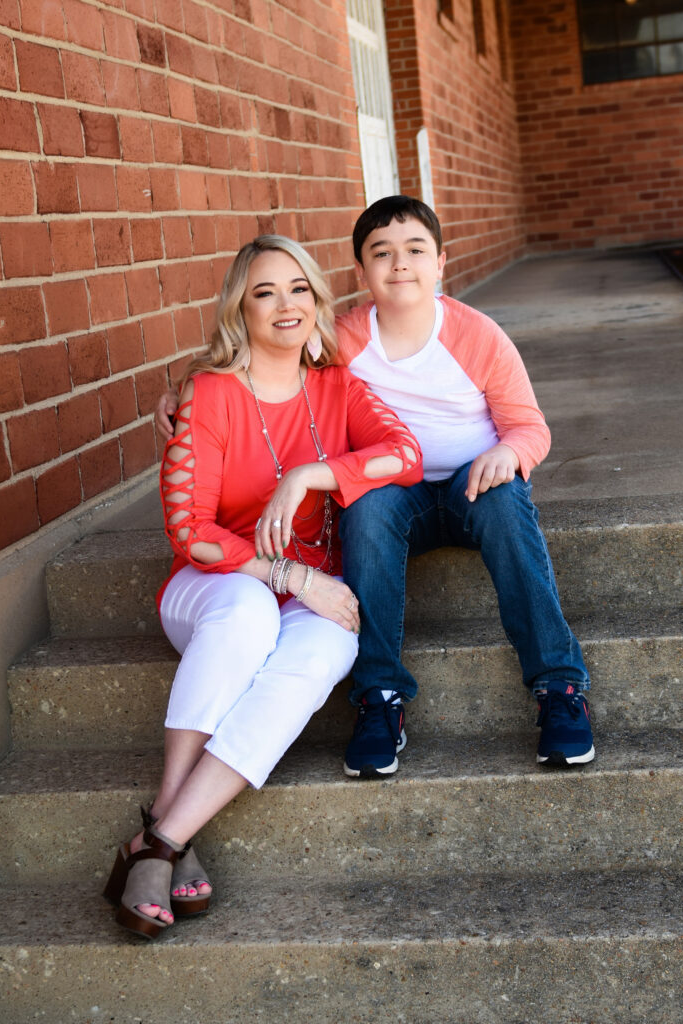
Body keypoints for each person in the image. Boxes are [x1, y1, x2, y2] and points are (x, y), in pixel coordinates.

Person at [155, 197, 594, 783]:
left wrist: (509, 452)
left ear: (441, 262)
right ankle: (380, 696)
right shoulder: (343, 336)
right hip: (398, 498)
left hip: (473, 488)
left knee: (506, 499)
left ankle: (559, 684)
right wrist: (183, 386)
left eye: (415, 251)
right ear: (360, 274)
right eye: (381, 254)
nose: (400, 265)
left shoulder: (478, 335)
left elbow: (530, 425)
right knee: (367, 502)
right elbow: (265, 344)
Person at [104, 234, 422, 940]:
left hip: (309, 596)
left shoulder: (339, 389)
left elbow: (405, 454)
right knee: (250, 613)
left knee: (327, 651)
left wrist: (310, 474)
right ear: (239, 311)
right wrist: (293, 574)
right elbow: (190, 532)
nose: (286, 305)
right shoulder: (210, 393)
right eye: (264, 292)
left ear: (317, 300)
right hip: (215, 586)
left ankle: (159, 841)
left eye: (299, 289)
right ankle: (165, 823)